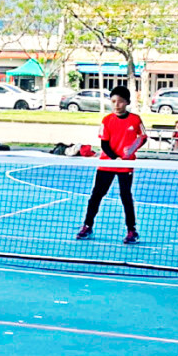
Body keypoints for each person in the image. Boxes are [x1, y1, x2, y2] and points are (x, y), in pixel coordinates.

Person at [76, 85, 147, 244]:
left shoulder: (135, 120)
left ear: (127, 102)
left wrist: (132, 150)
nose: (116, 105)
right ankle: (87, 226)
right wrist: (116, 158)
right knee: (96, 196)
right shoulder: (107, 120)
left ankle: (131, 230)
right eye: (114, 101)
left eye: (120, 101)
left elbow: (143, 137)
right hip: (107, 163)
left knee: (126, 197)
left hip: (126, 165)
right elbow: (105, 144)